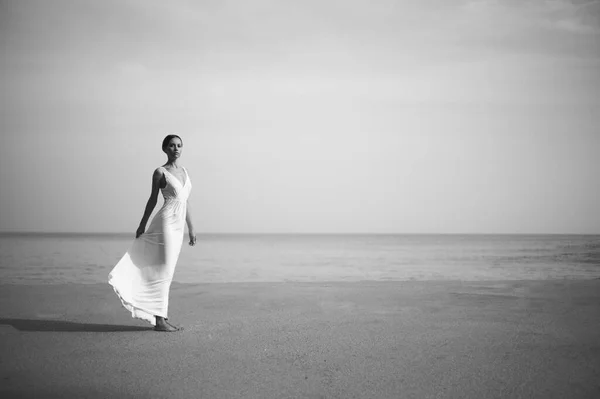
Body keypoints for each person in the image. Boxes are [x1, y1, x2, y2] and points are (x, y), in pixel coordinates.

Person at [108, 134, 196, 332]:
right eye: (172, 145)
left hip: (179, 225)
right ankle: (160, 320)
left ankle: (160, 316)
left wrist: (191, 228)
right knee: (164, 270)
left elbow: (186, 201)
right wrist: (142, 224)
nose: (176, 149)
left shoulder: (185, 172)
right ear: (164, 148)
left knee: (168, 270)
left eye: (179, 145)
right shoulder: (159, 172)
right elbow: (152, 200)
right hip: (166, 222)